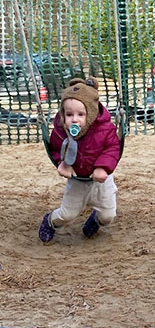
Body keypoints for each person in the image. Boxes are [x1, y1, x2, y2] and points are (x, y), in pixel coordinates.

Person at [38, 77, 122, 242]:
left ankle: (96, 220)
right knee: (67, 214)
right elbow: (55, 149)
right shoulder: (61, 130)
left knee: (108, 216)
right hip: (77, 179)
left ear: (90, 114)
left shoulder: (105, 129)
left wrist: (103, 167)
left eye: (80, 114)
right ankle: (50, 221)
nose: (74, 119)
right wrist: (62, 162)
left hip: (101, 179)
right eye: (69, 114)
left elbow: (113, 148)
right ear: (63, 114)